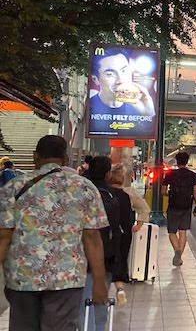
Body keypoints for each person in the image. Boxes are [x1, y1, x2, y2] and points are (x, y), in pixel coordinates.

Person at [0, 135, 109, 330]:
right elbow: (92, 238)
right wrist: (99, 283)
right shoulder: (85, 187)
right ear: (66, 159)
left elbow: (3, 237)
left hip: (22, 279)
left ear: (35, 157)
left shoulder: (13, 187)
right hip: (66, 280)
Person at [81, 156, 132, 331]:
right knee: (99, 299)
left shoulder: (78, 191)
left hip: (77, 257)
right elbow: (124, 231)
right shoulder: (119, 197)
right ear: (108, 174)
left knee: (82, 301)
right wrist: (121, 263)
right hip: (106, 258)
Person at [107, 163, 150, 305]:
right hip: (124, 232)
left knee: (105, 260)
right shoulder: (129, 193)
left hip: (106, 233)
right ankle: (120, 289)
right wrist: (139, 225)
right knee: (120, 259)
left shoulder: (103, 193)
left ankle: (104, 289)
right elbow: (144, 208)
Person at [90, 48, 155, 118]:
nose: (120, 80)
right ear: (95, 79)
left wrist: (149, 115)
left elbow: (151, 126)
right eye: (110, 74)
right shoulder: (90, 107)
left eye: (124, 71)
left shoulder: (139, 109)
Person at [162, 152, 196, 266]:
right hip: (187, 206)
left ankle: (177, 251)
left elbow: (163, 191)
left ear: (177, 161)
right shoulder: (193, 175)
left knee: (172, 232)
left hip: (173, 206)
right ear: (187, 161)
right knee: (183, 232)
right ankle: (179, 257)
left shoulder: (170, 174)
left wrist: (168, 194)